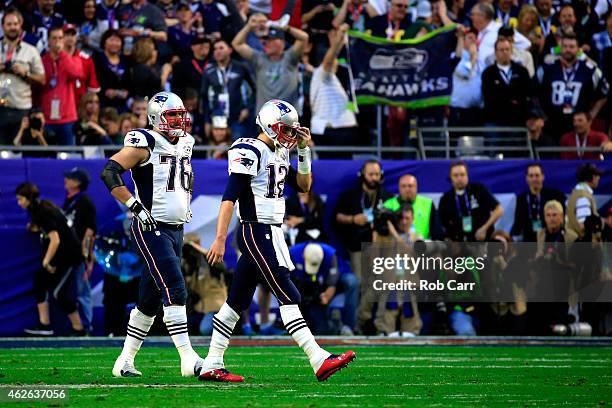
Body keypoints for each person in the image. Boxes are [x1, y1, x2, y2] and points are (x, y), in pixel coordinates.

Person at [202, 99, 355, 383]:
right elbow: (229, 198)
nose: (289, 135)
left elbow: (305, 185)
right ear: (269, 126)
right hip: (255, 230)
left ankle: (212, 362)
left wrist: (303, 151)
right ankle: (318, 358)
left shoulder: (281, 152)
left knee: (236, 301)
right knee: (288, 292)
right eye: (284, 130)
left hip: (269, 231)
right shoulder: (250, 150)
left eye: (291, 130)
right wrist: (220, 239)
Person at [101, 91, 201, 378]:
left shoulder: (187, 142)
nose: (180, 120)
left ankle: (124, 362)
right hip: (150, 227)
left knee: (149, 300)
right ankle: (187, 358)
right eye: (173, 115)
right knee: (175, 287)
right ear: (157, 118)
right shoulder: (144, 142)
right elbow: (109, 172)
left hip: (175, 229)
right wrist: (134, 205)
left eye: (182, 114)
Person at [16, 182, 85, 336]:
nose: (18, 203)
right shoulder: (41, 208)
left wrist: (46, 261)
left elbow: (55, 239)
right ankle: (44, 325)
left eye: (20, 199)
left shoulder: (41, 211)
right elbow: (52, 226)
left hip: (68, 255)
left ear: (28, 199)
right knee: (40, 281)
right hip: (61, 254)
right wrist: (35, 227)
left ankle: (79, 329)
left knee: (59, 293)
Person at [536, 32, 609, 140]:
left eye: (571, 47)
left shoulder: (589, 69)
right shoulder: (548, 67)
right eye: (564, 46)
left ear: (578, 49)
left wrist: (591, 115)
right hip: (552, 123)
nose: (568, 50)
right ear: (560, 48)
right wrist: (541, 115)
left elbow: (604, 92)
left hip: (579, 125)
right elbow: (533, 91)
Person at [232, 14, 309, 112]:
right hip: (265, 116)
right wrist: (249, 26)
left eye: (271, 40)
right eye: (265, 40)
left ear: (282, 43)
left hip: (287, 116)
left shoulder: (290, 57)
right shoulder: (259, 58)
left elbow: (304, 38)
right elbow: (236, 44)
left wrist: (285, 27)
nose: (266, 43)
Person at [333, 160, 392, 282]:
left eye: (377, 174)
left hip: (381, 249)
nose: (374, 178)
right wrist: (353, 219)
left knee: (382, 285)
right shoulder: (349, 195)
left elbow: (394, 221)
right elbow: (337, 217)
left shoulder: (388, 197)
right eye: (370, 174)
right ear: (362, 174)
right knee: (361, 285)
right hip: (358, 248)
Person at [289, 242, 358, 335]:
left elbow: (331, 286)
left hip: (322, 289)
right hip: (301, 290)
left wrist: (325, 297)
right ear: (303, 256)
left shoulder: (330, 255)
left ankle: (347, 326)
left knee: (351, 281)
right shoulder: (292, 253)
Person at [309, 24, 358, 155]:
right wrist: (337, 42)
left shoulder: (335, 79)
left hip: (343, 129)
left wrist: (340, 41)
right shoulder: (322, 74)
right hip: (330, 131)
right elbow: (329, 61)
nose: (335, 61)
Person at [0, 8, 46, 145]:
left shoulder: (31, 50)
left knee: (18, 152)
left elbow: (42, 80)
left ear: (20, 25)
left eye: (15, 24)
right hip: (0, 109)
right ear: (3, 27)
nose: (12, 27)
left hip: (21, 109)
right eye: (9, 24)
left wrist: (25, 74)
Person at [63, 167, 96, 333]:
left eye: (70, 178)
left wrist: (87, 256)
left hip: (79, 255)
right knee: (72, 290)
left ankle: (86, 326)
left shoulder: (84, 201)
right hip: (69, 254)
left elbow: (90, 231)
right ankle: (80, 325)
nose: (66, 180)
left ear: (78, 183)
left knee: (82, 290)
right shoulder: (69, 200)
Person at [200, 39, 254, 140]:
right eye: (215, 49)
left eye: (221, 48)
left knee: (237, 146)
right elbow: (204, 97)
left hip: (237, 118)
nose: (217, 51)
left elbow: (254, 90)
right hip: (217, 118)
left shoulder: (241, 68)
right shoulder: (208, 71)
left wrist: (247, 109)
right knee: (218, 149)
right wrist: (207, 121)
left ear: (230, 50)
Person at [438, 161, 503, 242]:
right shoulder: (445, 199)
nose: (459, 178)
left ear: (467, 176)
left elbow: (499, 209)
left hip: (482, 241)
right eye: (455, 175)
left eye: (462, 174)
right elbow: (441, 224)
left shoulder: (479, 190)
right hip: (458, 244)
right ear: (450, 178)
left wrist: (484, 228)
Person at [40, 26, 83, 146]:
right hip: (47, 118)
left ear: (64, 40)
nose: (57, 41)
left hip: (67, 119)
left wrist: (62, 54)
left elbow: (77, 73)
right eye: (54, 38)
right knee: (47, 158)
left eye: (60, 38)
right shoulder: (42, 61)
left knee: (69, 157)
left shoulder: (73, 59)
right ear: (48, 41)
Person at [481, 37, 533, 127]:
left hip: (518, 119)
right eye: (501, 50)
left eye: (507, 49)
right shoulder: (488, 73)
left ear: (511, 51)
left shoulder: (522, 71)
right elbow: (489, 97)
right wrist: (511, 100)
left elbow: (526, 93)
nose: (505, 52)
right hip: (495, 119)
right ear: (496, 52)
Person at [511, 163, 566, 242]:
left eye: (537, 175)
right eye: (531, 176)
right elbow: (518, 223)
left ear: (543, 177)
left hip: (549, 239)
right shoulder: (521, 198)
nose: (534, 179)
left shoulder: (555, 196)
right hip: (528, 241)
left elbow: (562, 220)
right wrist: (511, 238)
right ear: (526, 178)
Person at [383, 174, 443, 240]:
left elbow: (437, 233)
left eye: (410, 186)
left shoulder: (428, 204)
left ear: (416, 187)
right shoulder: (388, 205)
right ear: (399, 188)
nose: (407, 189)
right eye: (403, 186)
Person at [63, 23, 100, 112]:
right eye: (67, 35)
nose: (70, 38)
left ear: (76, 37)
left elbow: (92, 88)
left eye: (73, 35)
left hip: (80, 107)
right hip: (61, 103)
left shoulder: (86, 59)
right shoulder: (55, 58)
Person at [566, 163, 603, 239]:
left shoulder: (577, 192)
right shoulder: (583, 197)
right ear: (593, 177)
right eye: (597, 175)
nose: (599, 178)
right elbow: (583, 225)